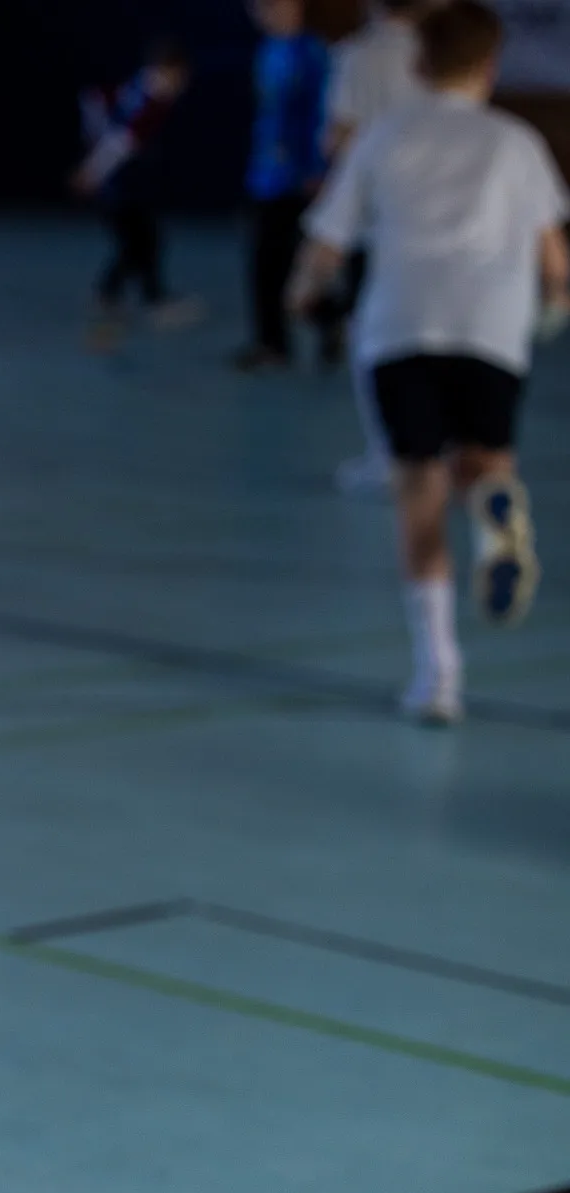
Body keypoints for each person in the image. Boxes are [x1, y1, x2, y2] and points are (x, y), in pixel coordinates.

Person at [291, 0, 570, 723]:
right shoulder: (518, 144)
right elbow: (555, 261)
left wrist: (302, 290)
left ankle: (438, 675)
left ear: (417, 64)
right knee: (485, 463)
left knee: (418, 491)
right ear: (492, 65)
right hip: (490, 330)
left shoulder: (384, 137)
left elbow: (327, 244)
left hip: (400, 329)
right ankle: (495, 504)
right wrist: (552, 308)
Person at [322, 0, 439, 494]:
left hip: (378, 221)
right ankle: (438, 449)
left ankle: (389, 453)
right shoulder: (440, 53)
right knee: (435, 332)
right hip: (439, 217)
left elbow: (339, 137)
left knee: (373, 337)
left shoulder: (356, 56)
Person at [71, 39, 203, 350]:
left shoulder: (137, 90)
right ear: (169, 71)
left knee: (140, 243)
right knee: (141, 242)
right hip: (122, 188)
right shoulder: (149, 101)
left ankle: (118, 295)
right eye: (180, 75)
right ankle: (148, 300)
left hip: (127, 186)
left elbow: (94, 102)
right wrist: (92, 171)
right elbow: (121, 142)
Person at [235, 0, 329, 371]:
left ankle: (320, 320)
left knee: (289, 262)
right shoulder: (268, 51)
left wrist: (315, 168)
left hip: (297, 178)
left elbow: (319, 114)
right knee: (266, 262)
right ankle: (275, 340)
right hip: (265, 176)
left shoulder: (312, 54)